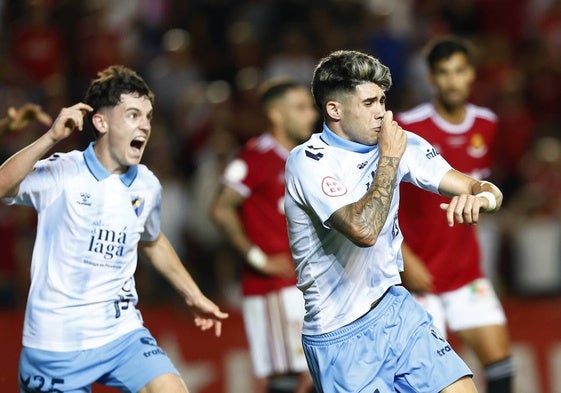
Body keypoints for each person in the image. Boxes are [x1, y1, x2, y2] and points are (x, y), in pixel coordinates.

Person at [284, 49, 504, 393]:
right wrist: (389, 158)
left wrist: (481, 199)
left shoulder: (401, 143)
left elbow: (478, 185)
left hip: (397, 310)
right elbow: (364, 230)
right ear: (334, 109)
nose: (382, 113)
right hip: (340, 333)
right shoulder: (308, 162)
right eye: (370, 103)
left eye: (383, 100)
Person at [0, 65, 228, 393]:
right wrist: (50, 138)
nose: (145, 126)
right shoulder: (64, 172)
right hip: (56, 344)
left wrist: (193, 294)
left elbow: (152, 240)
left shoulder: (147, 185)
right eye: (133, 115)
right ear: (101, 122)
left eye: (148, 116)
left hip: (121, 335)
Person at [397, 36, 514, 393]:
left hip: (466, 273)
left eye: (459, 71)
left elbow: (483, 187)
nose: (452, 80)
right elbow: (384, 200)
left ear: (471, 75)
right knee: (430, 384)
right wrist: (404, 260)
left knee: (501, 369)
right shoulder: (406, 127)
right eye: (443, 73)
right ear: (431, 78)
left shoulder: (487, 124)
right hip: (419, 276)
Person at [210, 78, 318, 393]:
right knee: (288, 377)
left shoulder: (309, 157)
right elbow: (220, 209)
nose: (311, 114)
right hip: (274, 288)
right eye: (300, 108)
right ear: (276, 115)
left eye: (310, 107)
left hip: (307, 283)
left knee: (319, 373)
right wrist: (259, 258)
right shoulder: (255, 157)